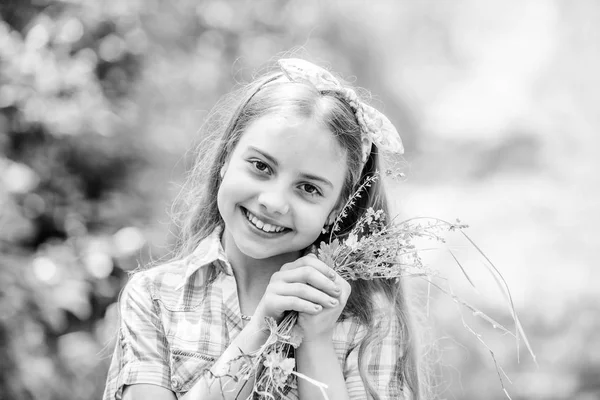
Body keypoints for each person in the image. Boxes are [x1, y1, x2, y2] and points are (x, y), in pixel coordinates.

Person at [103, 58, 424, 400]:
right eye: (260, 166)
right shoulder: (156, 297)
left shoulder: (368, 320)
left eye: (309, 189)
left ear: (336, 210)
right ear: (226, 158)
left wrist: (315, 339)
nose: (273, 202)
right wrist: (261, 326)